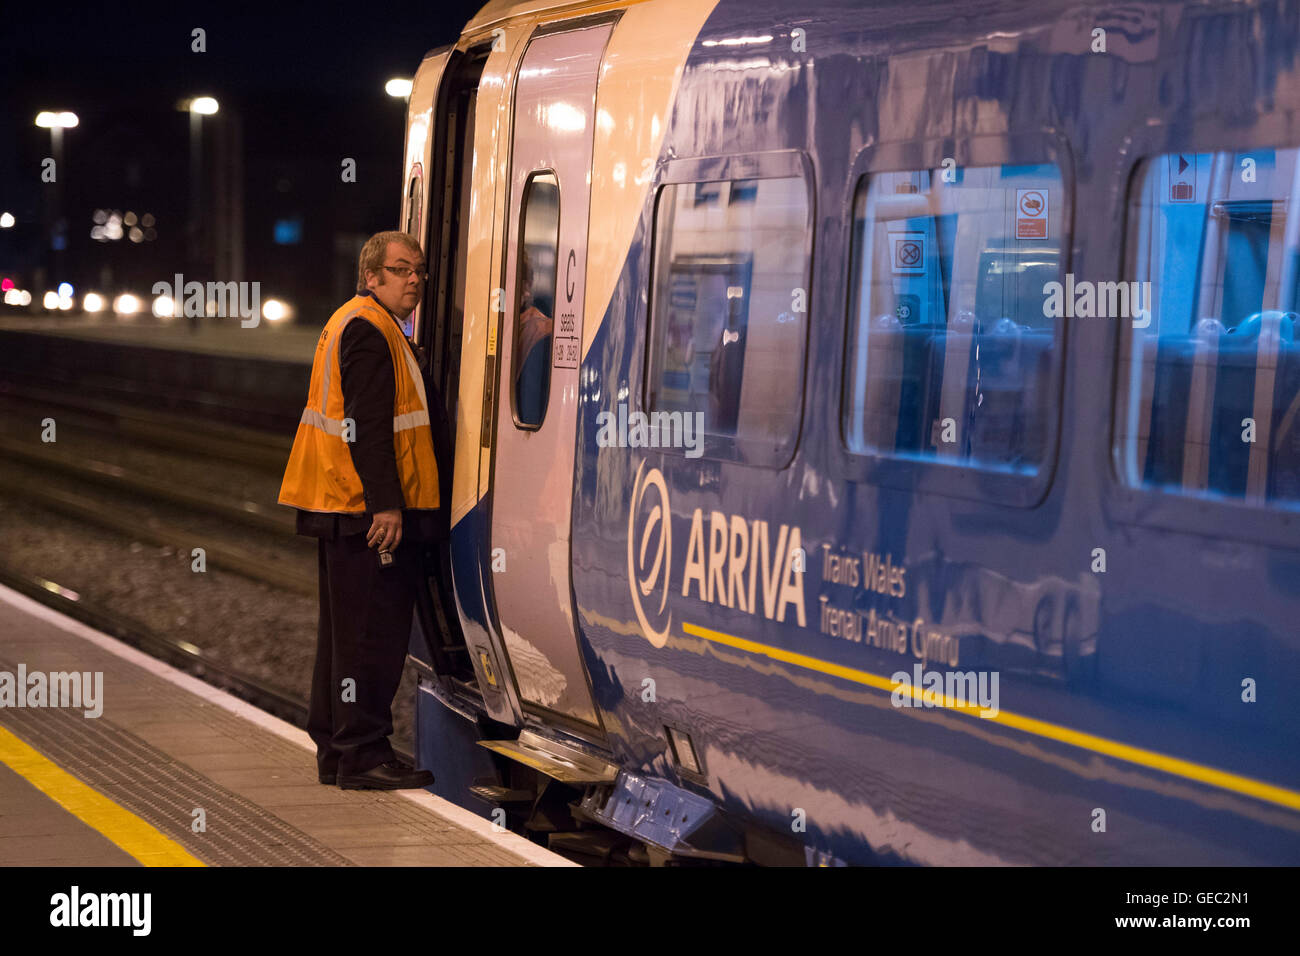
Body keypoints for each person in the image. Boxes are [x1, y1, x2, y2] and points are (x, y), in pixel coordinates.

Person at [278, 230, 441, 790]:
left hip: (342, 505)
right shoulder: (371, 331)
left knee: (343, 637)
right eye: (400, 270)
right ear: (371, 276)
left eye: (418, 270)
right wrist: (387, 507)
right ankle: (363, 753)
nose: (413, 280)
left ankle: (335, 749)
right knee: (372, 637)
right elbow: (367, 427)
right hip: (365, 512)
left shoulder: (353, 320)